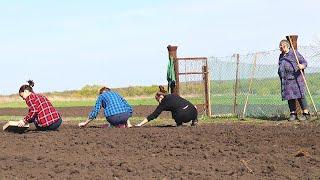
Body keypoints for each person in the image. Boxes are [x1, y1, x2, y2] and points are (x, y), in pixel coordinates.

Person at [278, 39, 310, 121]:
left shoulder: (294, 53)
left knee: (300, 95)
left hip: (296, 79)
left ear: (286, 46)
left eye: (281, 47)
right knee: (289, 97)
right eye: (280, 47)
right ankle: (293, 114)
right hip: (286, 80)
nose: (280, 49)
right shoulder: (281, 56)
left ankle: (306, 114)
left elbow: (304, 62)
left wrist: (301, 66)